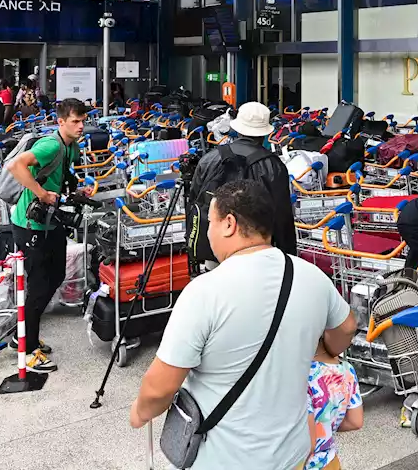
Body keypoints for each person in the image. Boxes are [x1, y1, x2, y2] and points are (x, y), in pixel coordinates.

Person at [129, 178, 357, 470]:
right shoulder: (311, 276)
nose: (208, 232)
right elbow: (346, 328)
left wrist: (139, 412)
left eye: (210, 222)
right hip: (294, 453)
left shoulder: (204, 292)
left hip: (225, 459)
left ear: (229, 224)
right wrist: (319, 350)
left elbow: (159, 388)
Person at [5, 98, 86, 373]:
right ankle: (27, 349)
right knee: (39, 284)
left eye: (83, 120)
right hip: (30, 225)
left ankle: (23, 334)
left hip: (51, 222)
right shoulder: (51, 144)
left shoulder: (71, 147)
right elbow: (16, 166)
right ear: (60, 122)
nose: (81, 126)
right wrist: (41, 194)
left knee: (56, 276)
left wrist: (76, 191)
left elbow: (63, 175)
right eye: (75, 121)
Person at [188, 101, 296, 266]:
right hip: (257, 251)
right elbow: (282, 214)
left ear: (237, 128)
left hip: (217, 248)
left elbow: (194, 201)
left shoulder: (210, 158)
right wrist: (288, 253)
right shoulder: (273, 165)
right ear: (265, 133)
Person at [307, 336, 363, 470]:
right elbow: (355, 421)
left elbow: (308, 444)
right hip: (331, 462)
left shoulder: (301, 377)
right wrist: (325, 429)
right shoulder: (346, 369)